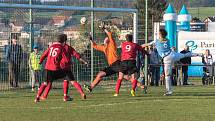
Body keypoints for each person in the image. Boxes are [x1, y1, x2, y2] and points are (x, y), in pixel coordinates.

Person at [142, 29, 202, 96]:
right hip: (172, 54)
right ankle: (199, 54)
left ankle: (169, 91)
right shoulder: (168, 40)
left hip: (167, 58)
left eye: (159, 33)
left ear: (161, 34)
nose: (158, 35)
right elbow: (162, 42)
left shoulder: (156, 41)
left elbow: (147, 44)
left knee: (167, 75)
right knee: (184, 55)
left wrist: (141, 46)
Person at [39, 34, 89, 101]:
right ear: (65, 41)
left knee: (50, 81)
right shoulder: (69, 47)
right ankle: (81, 93)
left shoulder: (56, 47)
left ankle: (45, 96)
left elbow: (45, 55)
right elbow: (76, 55)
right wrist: (84, 62)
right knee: (72, 81)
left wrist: (41, 61)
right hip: (66, 67)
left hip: (58, 67)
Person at [34, 34, 67, 102]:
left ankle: (37, 97)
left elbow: (44, 54)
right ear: (64, 41)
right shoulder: (62, 48)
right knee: (66, 77)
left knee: (46, 83)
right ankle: (65, 96)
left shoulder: (51, 46)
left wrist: (40, 61)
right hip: (55, 69)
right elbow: (66, 59)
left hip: (47, 68)